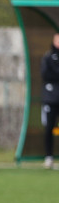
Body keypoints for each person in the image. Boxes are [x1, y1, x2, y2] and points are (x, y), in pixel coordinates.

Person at [40, 33, 59, 168]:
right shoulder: (48, 57)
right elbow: (47, 74)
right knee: (49, 128)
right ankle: (48, 157)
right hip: (51, 99)